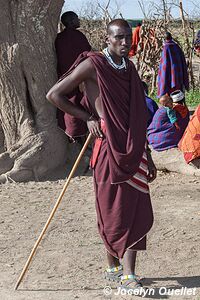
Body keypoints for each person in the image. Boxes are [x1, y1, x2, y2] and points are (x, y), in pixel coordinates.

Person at [47, 19, 156, 290]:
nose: (124, 42)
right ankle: (113, 267)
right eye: (118, 37)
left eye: (127, 37)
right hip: (107, 146)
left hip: (134, 147)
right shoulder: (93, 65)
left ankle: (129, 276)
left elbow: (137, 116)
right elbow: (54, 94)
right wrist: (88, 118)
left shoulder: (129, 68)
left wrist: (148, 153)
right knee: (110, 211)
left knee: (133, 207)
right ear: (107, 39)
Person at [55, 11, 91, 142]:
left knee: (67, 103)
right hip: (79, 76)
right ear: (70, 21)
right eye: (76, 18)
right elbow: (86, 55)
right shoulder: (78, 36)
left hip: (63, 77)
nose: (79, 20)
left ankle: (71, 134)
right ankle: (79, 135)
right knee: (78, 104)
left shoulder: (59, 37)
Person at [157, 32, 189, 98]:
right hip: (178, 75)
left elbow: (164, 65)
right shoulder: (177, 46)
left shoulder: (166, 47)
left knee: (170, 95)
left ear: (165, 39)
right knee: (178, 95)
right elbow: (182, 61)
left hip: (169, 76)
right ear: (171, 38)